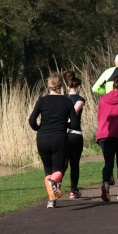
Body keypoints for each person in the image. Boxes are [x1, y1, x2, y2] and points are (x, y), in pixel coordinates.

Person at [29, 73, 79, 208]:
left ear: (48, 85)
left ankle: (51, 200)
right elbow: (75, 124)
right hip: (59, 138)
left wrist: (38, 128)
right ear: (61, 85)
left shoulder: (42, 100)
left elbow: (32, 120)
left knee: (48, 169)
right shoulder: (67, 101)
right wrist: (65, 124)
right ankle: (53, 190)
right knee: (60, 168)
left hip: (43, 138)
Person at [65, 76, 85, 199]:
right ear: (79, 87)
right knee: (74, 163)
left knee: (62, 162)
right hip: (75, 133)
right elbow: (75, 112)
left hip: (62, 134)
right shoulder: (80, 99)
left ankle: (57, 185)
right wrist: (68, 125)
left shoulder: (62, 99)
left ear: (67, 87)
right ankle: (73, 190)